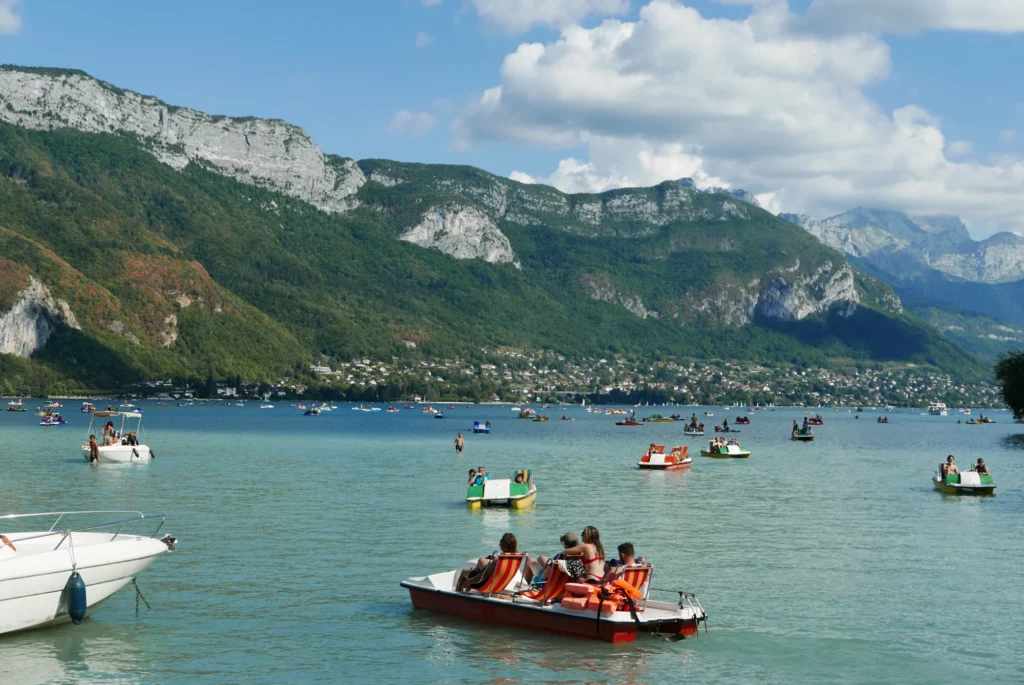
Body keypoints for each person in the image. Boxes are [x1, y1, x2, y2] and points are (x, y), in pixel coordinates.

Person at [455, 532, 520, 592]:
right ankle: (474, 572)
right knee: (481, 560)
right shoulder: (516, 557)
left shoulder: (498, 559)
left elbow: (483, 577)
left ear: (501, 544)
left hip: (487, 585)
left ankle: (456, 597)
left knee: (464, 571)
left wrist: (469, 581)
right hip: (499, 584)